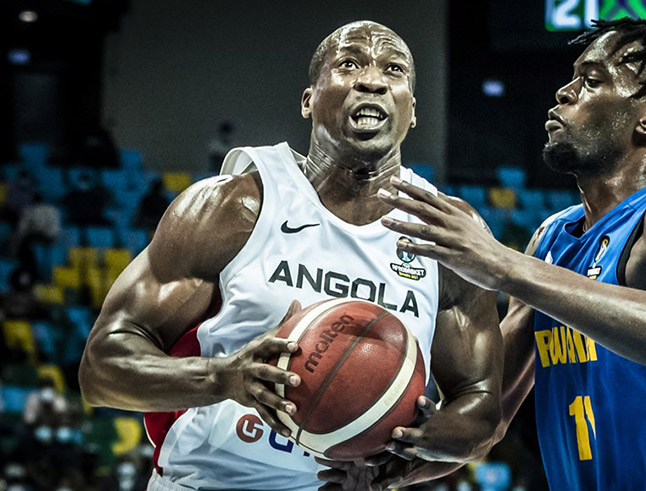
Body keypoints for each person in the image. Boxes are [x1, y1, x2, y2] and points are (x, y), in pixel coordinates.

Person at [79, 21, 503, 491]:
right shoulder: (233, 207)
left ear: (412, 110)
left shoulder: (449, 234)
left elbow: (481, 406)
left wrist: (408, 452)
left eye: (394, 70)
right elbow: (101, 367)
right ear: (308, 100)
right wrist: (222, 377)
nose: (372, 80)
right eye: (349, 64)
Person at [376, 18, 646, 490]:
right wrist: (388, 467)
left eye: (591, 81)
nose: (564, 92)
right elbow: (487, 415)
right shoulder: (551, 240)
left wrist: (504, 265)